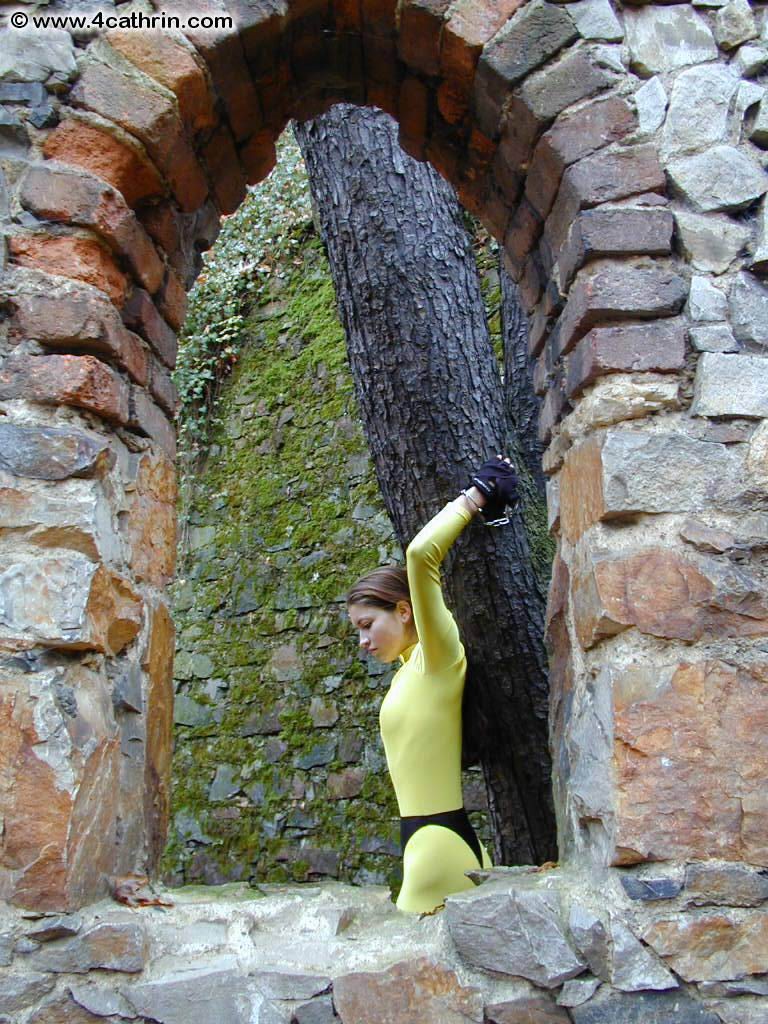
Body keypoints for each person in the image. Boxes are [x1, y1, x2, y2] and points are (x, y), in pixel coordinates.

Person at [347, 455, 519, 913]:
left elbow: (420, 555)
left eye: (367, 625)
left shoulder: (437, 660)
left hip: (436, 847)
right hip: (433, 842)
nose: (363, 641)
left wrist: (479, 493)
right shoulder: (410, 671)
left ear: (404, 611)